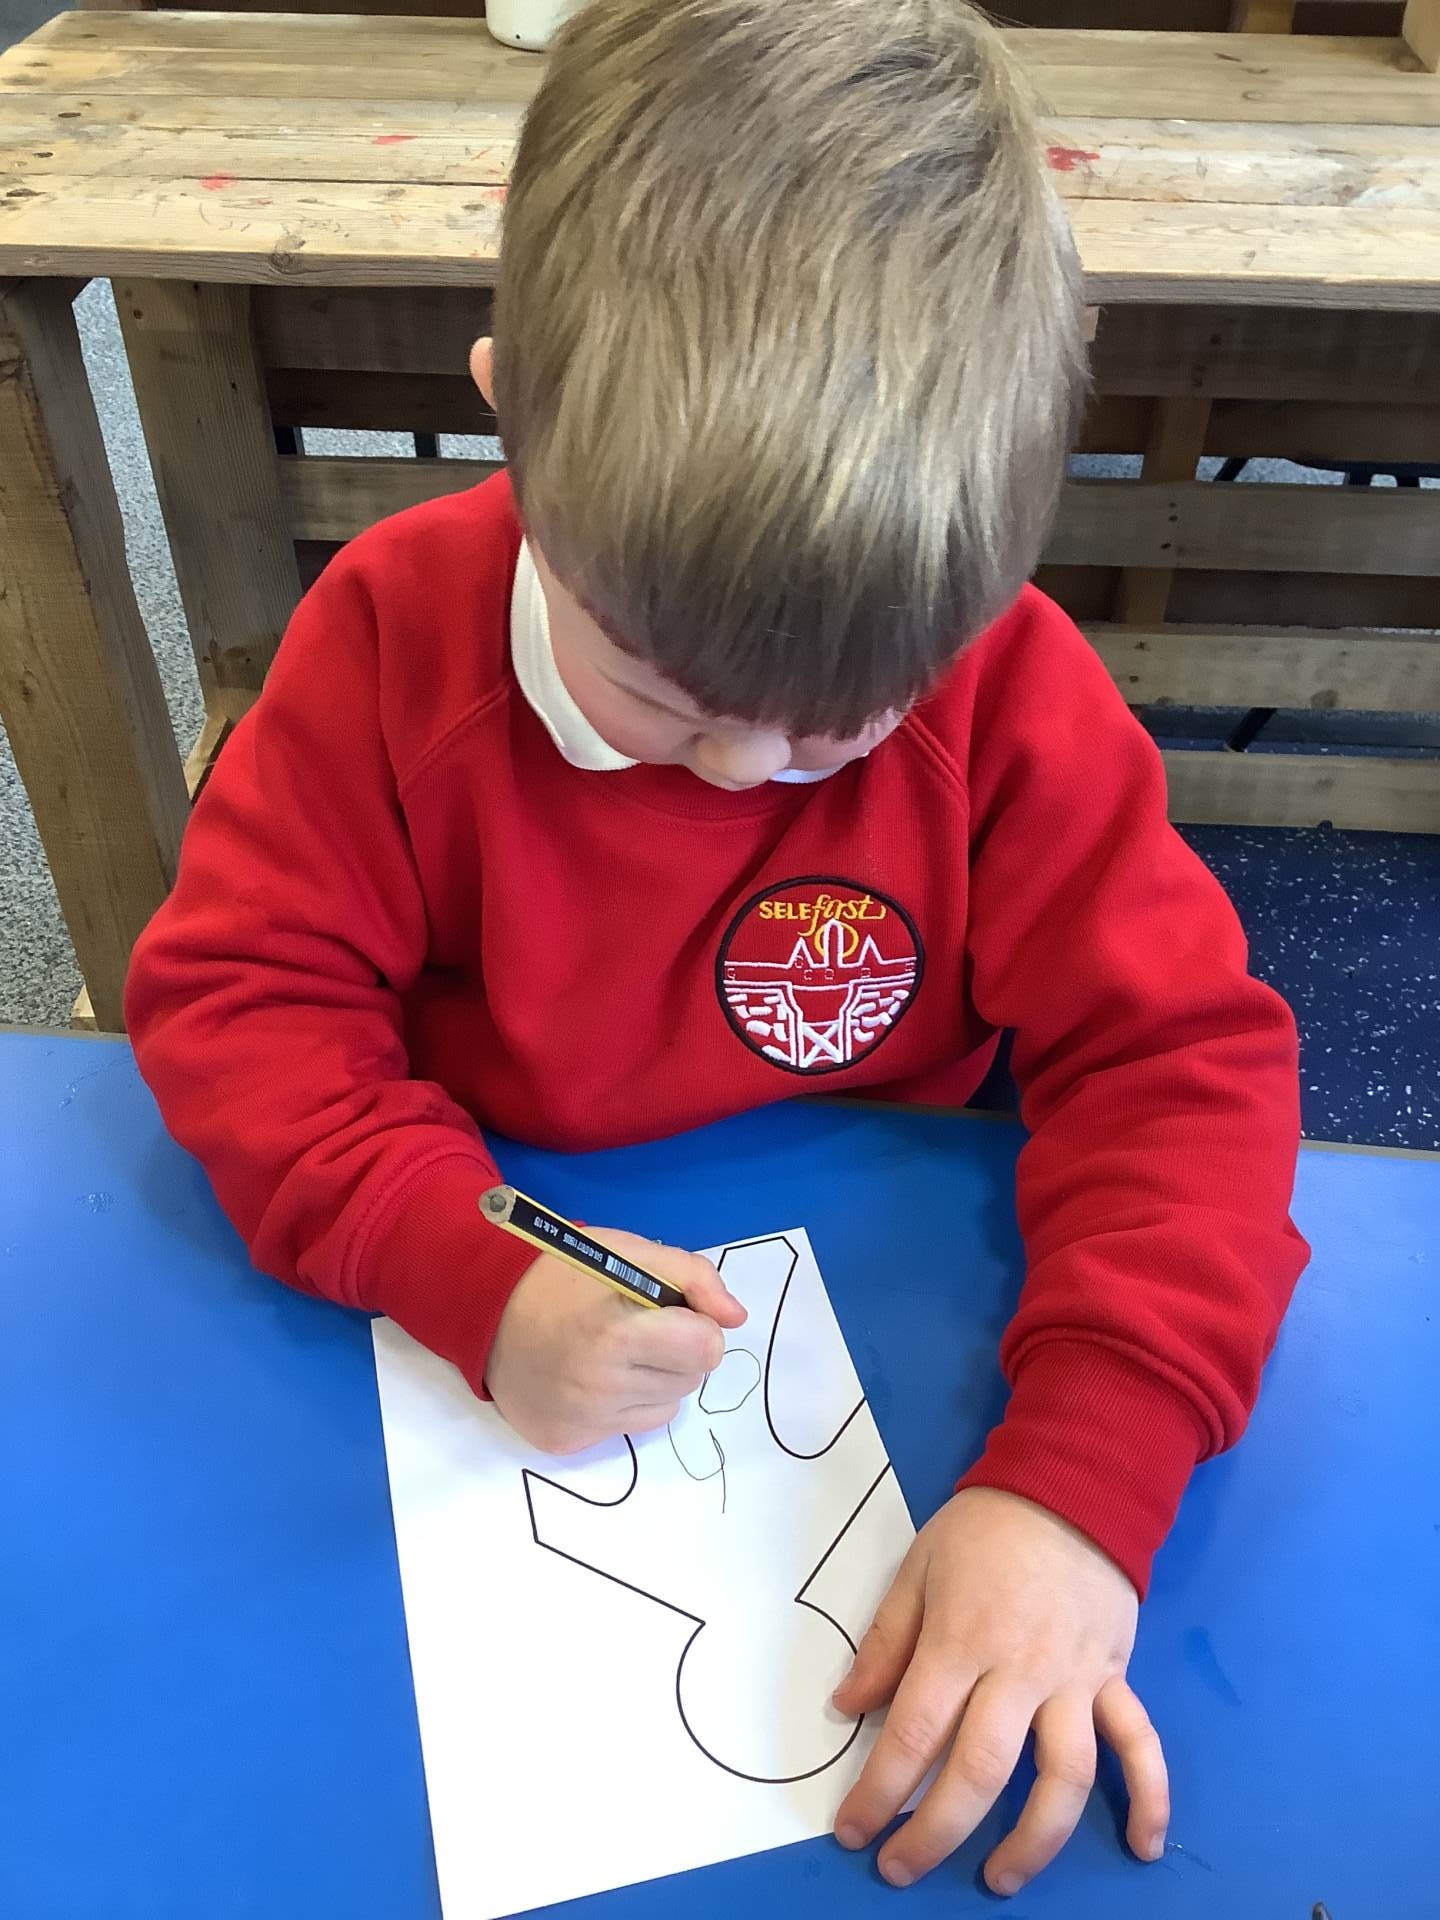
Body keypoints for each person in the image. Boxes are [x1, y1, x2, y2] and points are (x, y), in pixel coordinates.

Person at [126, 0, 1307, 1897]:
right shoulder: (390, 645)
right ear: (512, 410)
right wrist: (458, 1256)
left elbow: (1181, 1066)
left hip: (901, 1305)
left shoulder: (1006, 691)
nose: (753, 771)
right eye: (666, 697)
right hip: (491, 1290)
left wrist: (1082, 1486)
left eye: (843, 724)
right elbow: (240, 999)